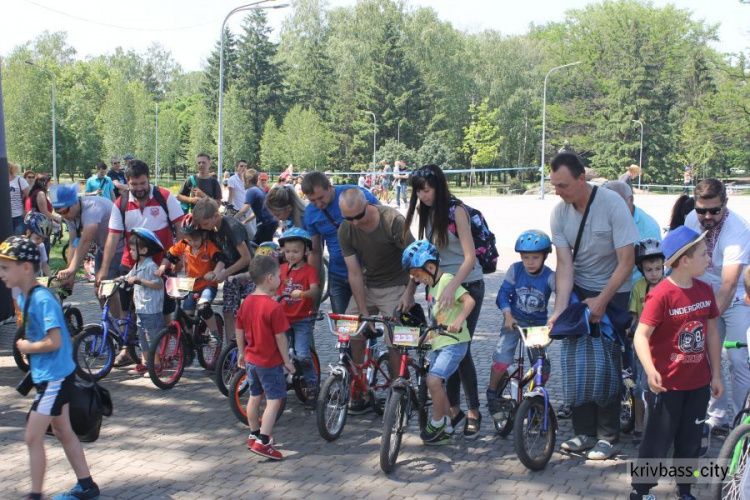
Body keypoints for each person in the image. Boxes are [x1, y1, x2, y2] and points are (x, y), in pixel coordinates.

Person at [549, 151, 639, 460]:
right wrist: (560, 311)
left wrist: (602, 300)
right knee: (576, 363)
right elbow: (564, 267)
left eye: (562, 185)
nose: (558, 192)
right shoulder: (559, 213)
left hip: (613, 291)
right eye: (554, 185)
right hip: (579, 290)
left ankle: (607, 437)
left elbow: (627, 262)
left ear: (581, 179)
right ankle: (583, 433)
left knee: (604, 364)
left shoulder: (612, 204)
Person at [0, 236, 100, 500]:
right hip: (51, 377)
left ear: (25, 268)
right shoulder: (26, 296)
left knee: (33, 436)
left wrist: (26, 347)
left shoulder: (42, 300)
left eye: (5, 267)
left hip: (54, 379)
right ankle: (87, 486)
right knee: (62, 430)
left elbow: (55, 341)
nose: (1, 273)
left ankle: (35, 495)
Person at [630, 226, 724, 500]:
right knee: (657, 442)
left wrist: (716, 374)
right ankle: (641, 491)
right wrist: (650, 371)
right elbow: (640, 336)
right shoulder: (661, 294)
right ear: (685, 260)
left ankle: (685, 490)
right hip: (667, 387)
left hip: (698, 384)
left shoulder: (705, 290)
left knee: (690, 442)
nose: (709, 259)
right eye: (704, 254)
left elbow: (713, 333)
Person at [401, 164, 485, 438]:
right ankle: (452, 410)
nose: (423, 196)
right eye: (419, 191)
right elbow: (423, 256)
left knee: (460, 346)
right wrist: (409, 290)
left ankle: (472, 410)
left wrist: (453, 287)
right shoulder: (425, 212)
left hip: (465, 283)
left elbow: (470, 257)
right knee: (443, 344)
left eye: (427, 190)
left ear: (438, 186)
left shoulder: (455, 210)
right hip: (438, 285)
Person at [96, 160, 184, 366]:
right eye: (134, 184)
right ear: (127, 182)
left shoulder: (165, 197)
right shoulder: (121, 203)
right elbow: (113, 237)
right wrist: (104, 268)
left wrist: (179, 258)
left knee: (164, 309)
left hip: (162, 264)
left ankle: (163, 351)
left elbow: (181, 229)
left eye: (143, 183)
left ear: (148, 179)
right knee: (128, 308)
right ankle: (126, 349)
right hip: (131, 264)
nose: (139, 188)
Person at [338, 187, 415, 404]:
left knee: (397, 341)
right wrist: (362, 314)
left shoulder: (392, 220)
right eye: (348, 218)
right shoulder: (346, 229)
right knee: (350, 328)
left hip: (395, 285)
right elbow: (353, 272)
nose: (354, 222)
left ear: (368, 205)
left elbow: (416, 258)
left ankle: (397, 390)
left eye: (359, 216)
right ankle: (359, 387)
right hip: (367, 284)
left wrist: (409, 294)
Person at [684, 179, 750, 432]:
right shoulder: (692, 218)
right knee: (707, 358)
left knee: (737, 359)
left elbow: (729, 284)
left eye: (714, 210)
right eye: (702, 210)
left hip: (736, 299)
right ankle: (717, 415)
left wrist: (708, 321)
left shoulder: (738, 229)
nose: (707, 216)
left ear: (726, 204)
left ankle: (740, 420)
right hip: (703, 293)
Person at [402, 240, 474, 445]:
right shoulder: (432, 287)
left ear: (431, 267)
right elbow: (438, 317)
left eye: (417, 275)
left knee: (434, 381)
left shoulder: (447, 281)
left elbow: (469, 302)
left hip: (454, 342)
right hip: (440, 343)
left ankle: (438, 421)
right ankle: (449, 423)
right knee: (434, 383)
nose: (416, 279)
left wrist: (458, 322)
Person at [487, 230, 554, 420]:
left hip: (537, 326)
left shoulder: (550, 276)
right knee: (502, 359)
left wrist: (555, 320)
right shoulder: (515, 270)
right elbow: (503, 294)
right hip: (514, 321)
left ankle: (532, 401)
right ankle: (492, 393)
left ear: (545, 256)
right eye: (526, 257)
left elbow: (562, 294)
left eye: (535, 257)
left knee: (542, 368)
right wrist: (507, 315)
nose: (530, 262)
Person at [235, 256, 295, 460]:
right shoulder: (273, 307)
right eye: (279, 276)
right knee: (274, 400)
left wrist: (242, 352)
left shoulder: (247, 302)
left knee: (254, 397)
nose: (280, 279)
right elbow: (280, 337)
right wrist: (287, 361)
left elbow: (239, 329)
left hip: (251, 360)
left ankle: (253, 434)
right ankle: (264, 440)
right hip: (269, 362)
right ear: (270, 278)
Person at [301, 172, 379, 314]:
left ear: (330, 187)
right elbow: (315, 252)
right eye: (313, 201)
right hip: (338, 275)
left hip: (367, 272)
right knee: (344, 327)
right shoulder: (310, 214)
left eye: (321, 198)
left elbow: (382, 219)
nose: (318, 204)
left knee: (367, 322)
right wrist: (313, 282)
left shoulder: (355, 194)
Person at [192, 198, 253, 345]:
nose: (204, 227)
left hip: (248, 274)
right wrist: (216, 271)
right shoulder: (212, 230)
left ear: (215, 216)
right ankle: (231, 348)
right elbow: (222, 257)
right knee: (228, 310)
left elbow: (246, 258)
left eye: (205, 224)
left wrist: (225, 273)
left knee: (249, 312)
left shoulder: (231, 227)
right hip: (231, 275)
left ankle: (253, 346)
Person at [158, 215, 225, 339]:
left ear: (204, 235)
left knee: (203, 306)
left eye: (195, 239)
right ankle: (187, 343)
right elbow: (169, 255)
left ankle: (215, 333)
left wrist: (215, 272)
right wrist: (162, 267)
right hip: (191, 285)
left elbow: (220, 260)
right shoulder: (184, 244)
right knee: (187, 316)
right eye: (189, 240)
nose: (192, 243)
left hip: (207, 285)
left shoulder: (208, 246)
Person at [52, 184, 124, 299]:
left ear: (75, 202)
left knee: (106, 290)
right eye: (59, 213)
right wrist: (70, 274)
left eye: (65, 211)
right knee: (99, 291)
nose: (63, 216)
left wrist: (72, 269)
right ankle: (114, 317)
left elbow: (86, 240)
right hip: (103, 248)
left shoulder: (91, 208)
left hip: (119, 248)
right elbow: (74, 242)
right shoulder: (71, 214)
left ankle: (120, 316)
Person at [277, 228, 320, 409]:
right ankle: (284, 380)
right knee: (280, 353)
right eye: (287, 251)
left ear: (305, 251)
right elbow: (272, 285)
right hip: (282, 319)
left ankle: (311, 386)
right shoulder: (281, 269)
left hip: (302, 319)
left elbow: (315, 289)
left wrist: (303, 294)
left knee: (302, 355)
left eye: (295, 251)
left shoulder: (309, 270)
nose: (291, 255)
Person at [627, 238, 665, 444]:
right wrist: (627, 327)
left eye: (658, 268)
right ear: (641, 269)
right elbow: (633, 314)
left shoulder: (669, 285)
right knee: (640, 387)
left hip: (664, 345)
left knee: (663, 386)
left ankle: (661, 426)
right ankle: (639, 425)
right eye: (649, 269)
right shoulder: (638, 287)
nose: (654, 273)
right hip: (643, 345)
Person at [122, 229, 165, 375]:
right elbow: (127, 277)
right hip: (141, 308)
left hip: (151, 309)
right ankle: (146, 362)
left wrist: (139, 280)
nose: (131, 252)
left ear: (144, 250)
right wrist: (113, 280)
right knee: (142, 337)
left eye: (133, 250)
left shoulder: (151, 266)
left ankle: (157, 364)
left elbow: (158, 284)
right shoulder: (137, 265)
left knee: (152, 337)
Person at [604, 180, 661, 283]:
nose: (609, 209)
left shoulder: (650, 228)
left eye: (615, 203)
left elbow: (655, 269)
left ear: (630, 199)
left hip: (633, 291)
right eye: (605, 203)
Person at [238, 169, 278, 244]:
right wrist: (245, 221)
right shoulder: (258, 190)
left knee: (262, 247)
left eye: (243, 180)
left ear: (248, 181)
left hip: (266, 223)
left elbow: (245, 209)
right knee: (258, 244)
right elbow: (255, 213)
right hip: (271, 221)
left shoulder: (251, 191)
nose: (242, 183)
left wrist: (234, 218)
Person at [26, 173, 62, 255]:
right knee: (43, 252)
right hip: (40, 227)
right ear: (41, 182)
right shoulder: (40, 194)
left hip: (34, 226)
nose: (50, 183)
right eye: (48, 181)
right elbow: (44, 212)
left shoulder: (35, 192)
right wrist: (57, 218)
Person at [24, 212, 52, 278]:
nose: (40, 241)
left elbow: (44, 265)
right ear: (28, 233)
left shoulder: (41, 246)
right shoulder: (22, 248)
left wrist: (51, 278)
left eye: (43, 239)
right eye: (37, 238)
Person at [9, 163, 31, 236]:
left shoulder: (19, 180)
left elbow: (30, 197)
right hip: (3, 218)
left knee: (17, 242)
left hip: (18, 217)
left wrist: (26, 211)